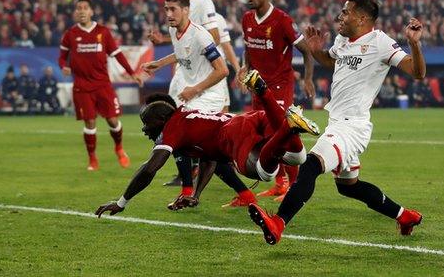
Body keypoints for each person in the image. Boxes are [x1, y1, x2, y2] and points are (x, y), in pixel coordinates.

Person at [248, 0, 426, 245]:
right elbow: (331, 61)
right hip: (337, 122)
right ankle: (405, 216)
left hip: (351, 126)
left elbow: (417, 73)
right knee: (348, 186)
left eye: (345, 12)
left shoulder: (380, 43)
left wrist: (414, 45)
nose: (339, 17)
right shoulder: (342, 40)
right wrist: (315, 49)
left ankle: (278, 222)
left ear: (362, 18)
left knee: (310, 165)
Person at [94, 70, 320, 217]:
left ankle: (287, 125)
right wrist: (195, 195)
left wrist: (122, 202)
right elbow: (208, 159)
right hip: (253, 118)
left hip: (234, 134)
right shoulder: (189, 117)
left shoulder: (173, 126)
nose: (144, 129)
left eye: (147, 123)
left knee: (264, 172)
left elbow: (150, 169)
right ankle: (282, 120)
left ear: (162, 120)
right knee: (296, 157)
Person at [142, 0, 230, 200]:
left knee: (181, 133)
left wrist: (195, 89)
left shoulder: (200, 35)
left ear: (186, 10)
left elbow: (222, 70)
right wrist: (159, 63)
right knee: (193, 143)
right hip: (194, 94)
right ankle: (189, 190)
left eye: (173, 9)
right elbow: (181, 53)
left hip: (210, 95)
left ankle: (189, 189)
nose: (169, 14)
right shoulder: (174, 32)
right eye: (166, 9)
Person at [239, 0, 316, 202]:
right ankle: (280, 182)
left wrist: (308, 79)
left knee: (281, 132)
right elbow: (249, 47)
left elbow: (307, 51)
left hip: (280, 85)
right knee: (264, 134)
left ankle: (293, 186)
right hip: (258, 86)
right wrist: (246, 69)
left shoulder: (282, 20)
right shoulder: (246, 19)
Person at [58, 0, 143, 171]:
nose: (81, 11)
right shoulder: (70, 34)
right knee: (89, 123)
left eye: (85, 8)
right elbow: (61, 57)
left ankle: (119, 148)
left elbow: (118, 54)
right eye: (78, 8)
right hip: (82, 86)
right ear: (75, 13)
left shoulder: (103, 32)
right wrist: (63, 66)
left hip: (102, 84)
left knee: (112, 120)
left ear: (91, 12)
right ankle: (92, 159)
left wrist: (132, 73)